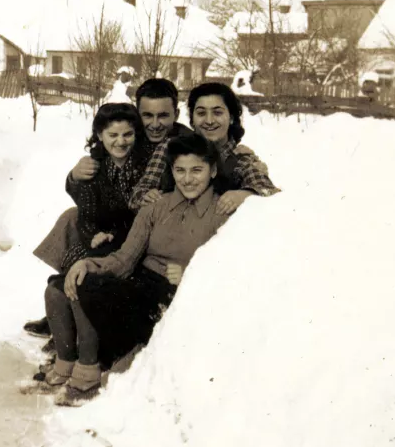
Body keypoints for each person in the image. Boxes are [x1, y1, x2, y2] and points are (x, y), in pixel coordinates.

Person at [33, 133, 245, 407]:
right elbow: (124, 259)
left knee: (87, 290)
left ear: (213, 170)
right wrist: (88, 263)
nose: (188, 179)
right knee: (61, 286)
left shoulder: (223, 211)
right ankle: (67, 363)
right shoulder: (156, 207)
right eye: (180, 170)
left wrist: (193, 276)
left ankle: (89, 372)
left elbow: (232, 267)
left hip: (169, 296)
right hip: (139, 283)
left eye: (197, 170)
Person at [24, 78, 190, 336]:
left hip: (148, 227)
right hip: (122, 217)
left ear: (176, 114)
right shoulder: (133, 135)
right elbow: (98, 175)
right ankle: (66, 302)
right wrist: (75, 176)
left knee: (92, 234)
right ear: (137, 115)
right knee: (73, 217)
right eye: (147, 115)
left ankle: (77, 303)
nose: (155, 124)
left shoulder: (178, 143)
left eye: (163, 116)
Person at [58, 102, 151, 271]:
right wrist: (94, 236)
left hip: (137, 240)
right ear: (100, 135)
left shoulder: (146, 166)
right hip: (103, 238)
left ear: (136, 134)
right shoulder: (94, 168)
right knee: (75, 262)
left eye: (128, 134)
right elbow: (86, 214)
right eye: (113, 135)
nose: (121, 141)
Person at [186, 81, 279, 217]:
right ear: (192, 119)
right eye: (201, 113)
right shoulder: (177, 151)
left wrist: (246, 194)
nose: (209, 120)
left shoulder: (241, 159)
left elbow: (268, 191)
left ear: (231, 118)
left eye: (217, 113)